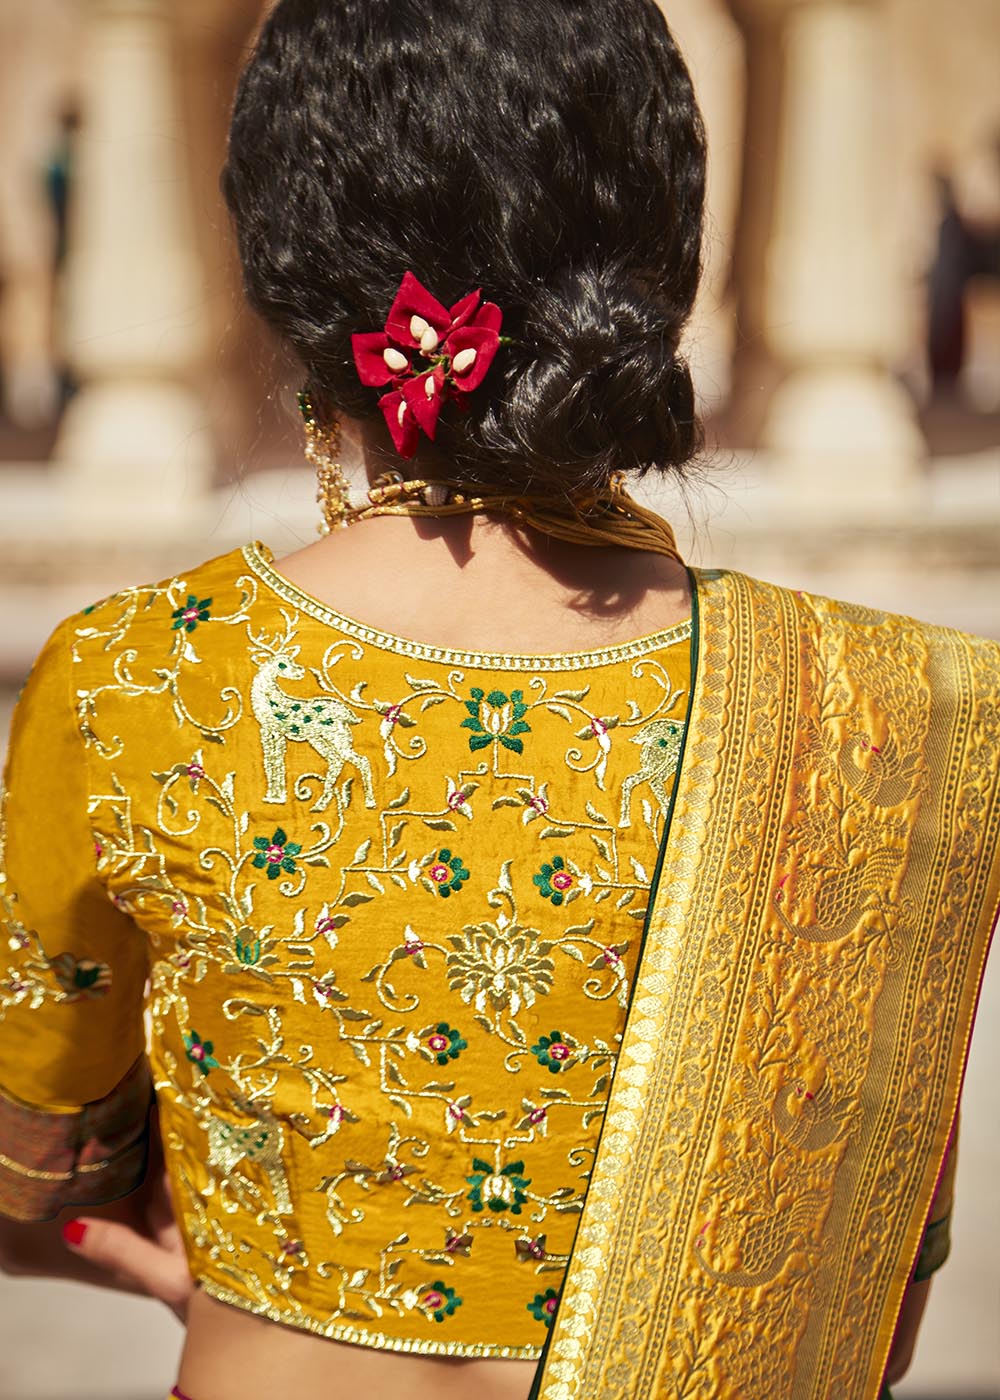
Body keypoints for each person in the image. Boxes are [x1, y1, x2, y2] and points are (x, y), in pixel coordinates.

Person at [0, 3, 997, 1399]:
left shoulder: (140, 682)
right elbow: (865, 1305)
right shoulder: (901, 716)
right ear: (667, 269)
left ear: (292, 291)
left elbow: (39, 1176)